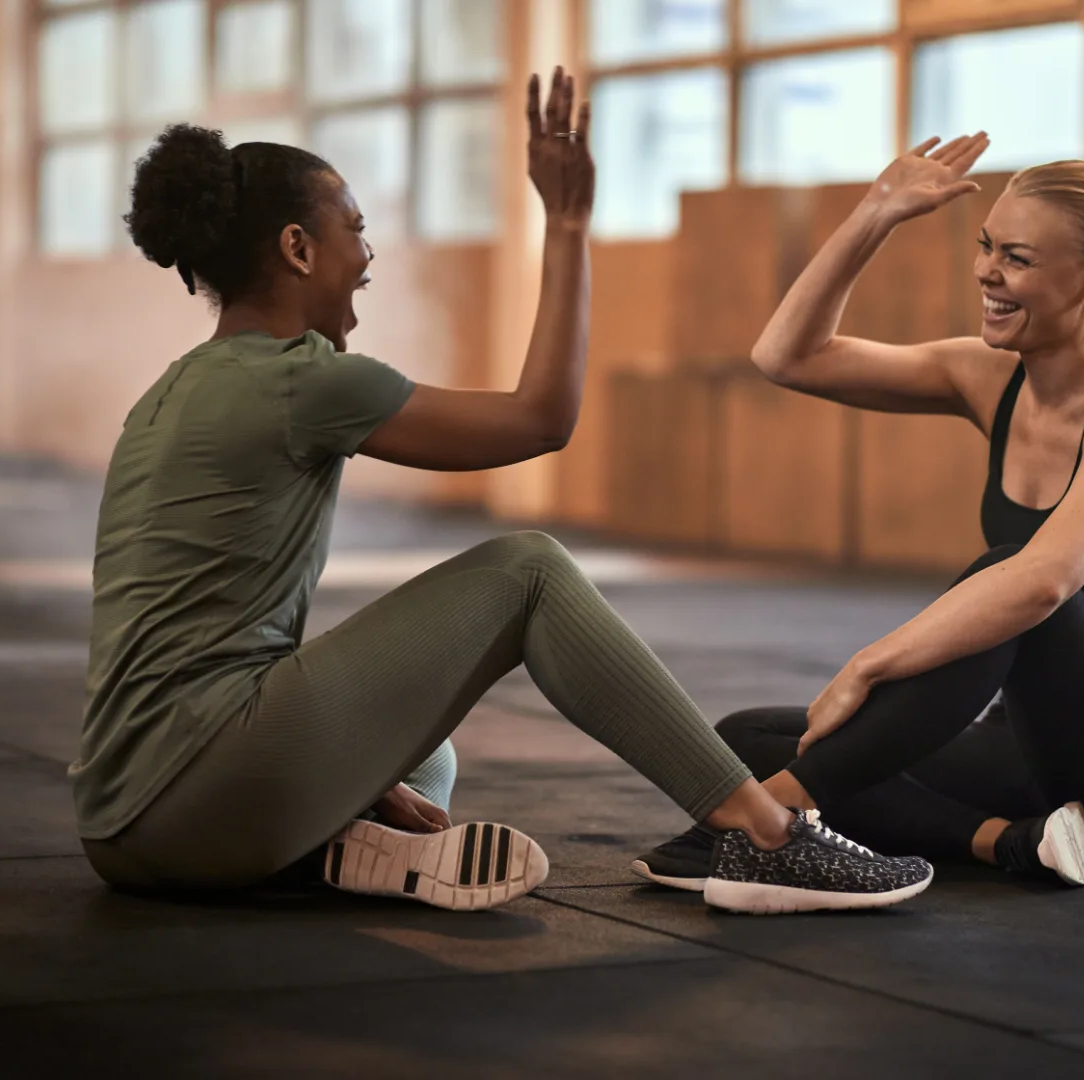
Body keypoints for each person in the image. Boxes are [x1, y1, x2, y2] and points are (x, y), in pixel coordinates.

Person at [69, 68, 932, 915]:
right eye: (355, 229)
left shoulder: (169, 394)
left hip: (123, 827)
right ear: (298, 248)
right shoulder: (306, 381)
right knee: (528, 570)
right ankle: (764, 835)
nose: (367, 253)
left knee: (425, 755)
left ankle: (337, 844)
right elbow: (541, 421)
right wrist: (566, 221)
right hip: (200, 789)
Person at [633, 134, 1084, 891]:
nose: (986, 272)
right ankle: (1008, 843)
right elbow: (787, 357)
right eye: (985, 247)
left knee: (1011, 576)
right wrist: (877, 213)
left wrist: (868, 667)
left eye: (1018, 258)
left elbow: (1044, 582)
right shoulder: (986, 376)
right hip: (1024, 754)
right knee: (746, 739)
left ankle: (770, 823)